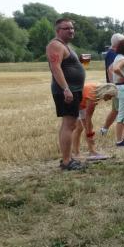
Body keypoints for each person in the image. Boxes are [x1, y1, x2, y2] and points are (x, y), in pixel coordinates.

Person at [46, 17, 86, 171]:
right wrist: (66, 89)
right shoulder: (55, 45)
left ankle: (68, 158)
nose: (71, 30)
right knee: (69, 124)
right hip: (66, 91)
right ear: (58, 30)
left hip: (73, 90)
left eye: (72, 28)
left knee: (71, 124)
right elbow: (55, 68)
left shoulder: (65, 46)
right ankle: (67, 161)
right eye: (66, 28)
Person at [71, 83, 117, 161]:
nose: (110, 99)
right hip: (72, 103)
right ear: (105, 92)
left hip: (80, 105)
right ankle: (76, 154)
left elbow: (88, 119)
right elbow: (88, 118)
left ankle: (92, 152)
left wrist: (89, 132)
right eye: (110, 96)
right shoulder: (92, 98)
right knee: (79, 128)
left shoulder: (95, 90)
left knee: (88, 127)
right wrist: (89, 135)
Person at [99, 33, 124, 137]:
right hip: (117, 87)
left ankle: (104, 130)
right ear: (118, 43)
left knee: (116, 110)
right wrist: (113, 87)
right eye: (123, 42)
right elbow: (110, 70)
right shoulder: (112, 54)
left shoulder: (113, 53)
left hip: (117, 86)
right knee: (121, 110)